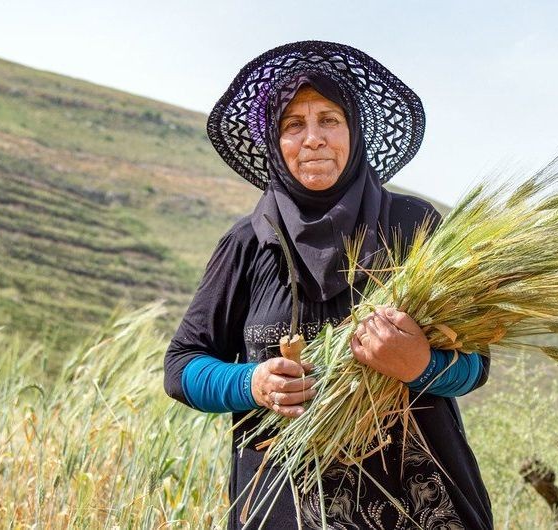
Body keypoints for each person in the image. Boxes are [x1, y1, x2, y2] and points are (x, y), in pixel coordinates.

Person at [164, 40, 493, 529]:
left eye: (329, 121)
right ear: (275, 144)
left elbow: (475, 364)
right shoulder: (247, 243)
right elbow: (182, 366)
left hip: (420, 508)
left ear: (354, 133)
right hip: (283, 506)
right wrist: (250, 383)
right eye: (293, 125)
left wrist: (420, 365)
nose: (312, 138)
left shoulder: (414, 227)